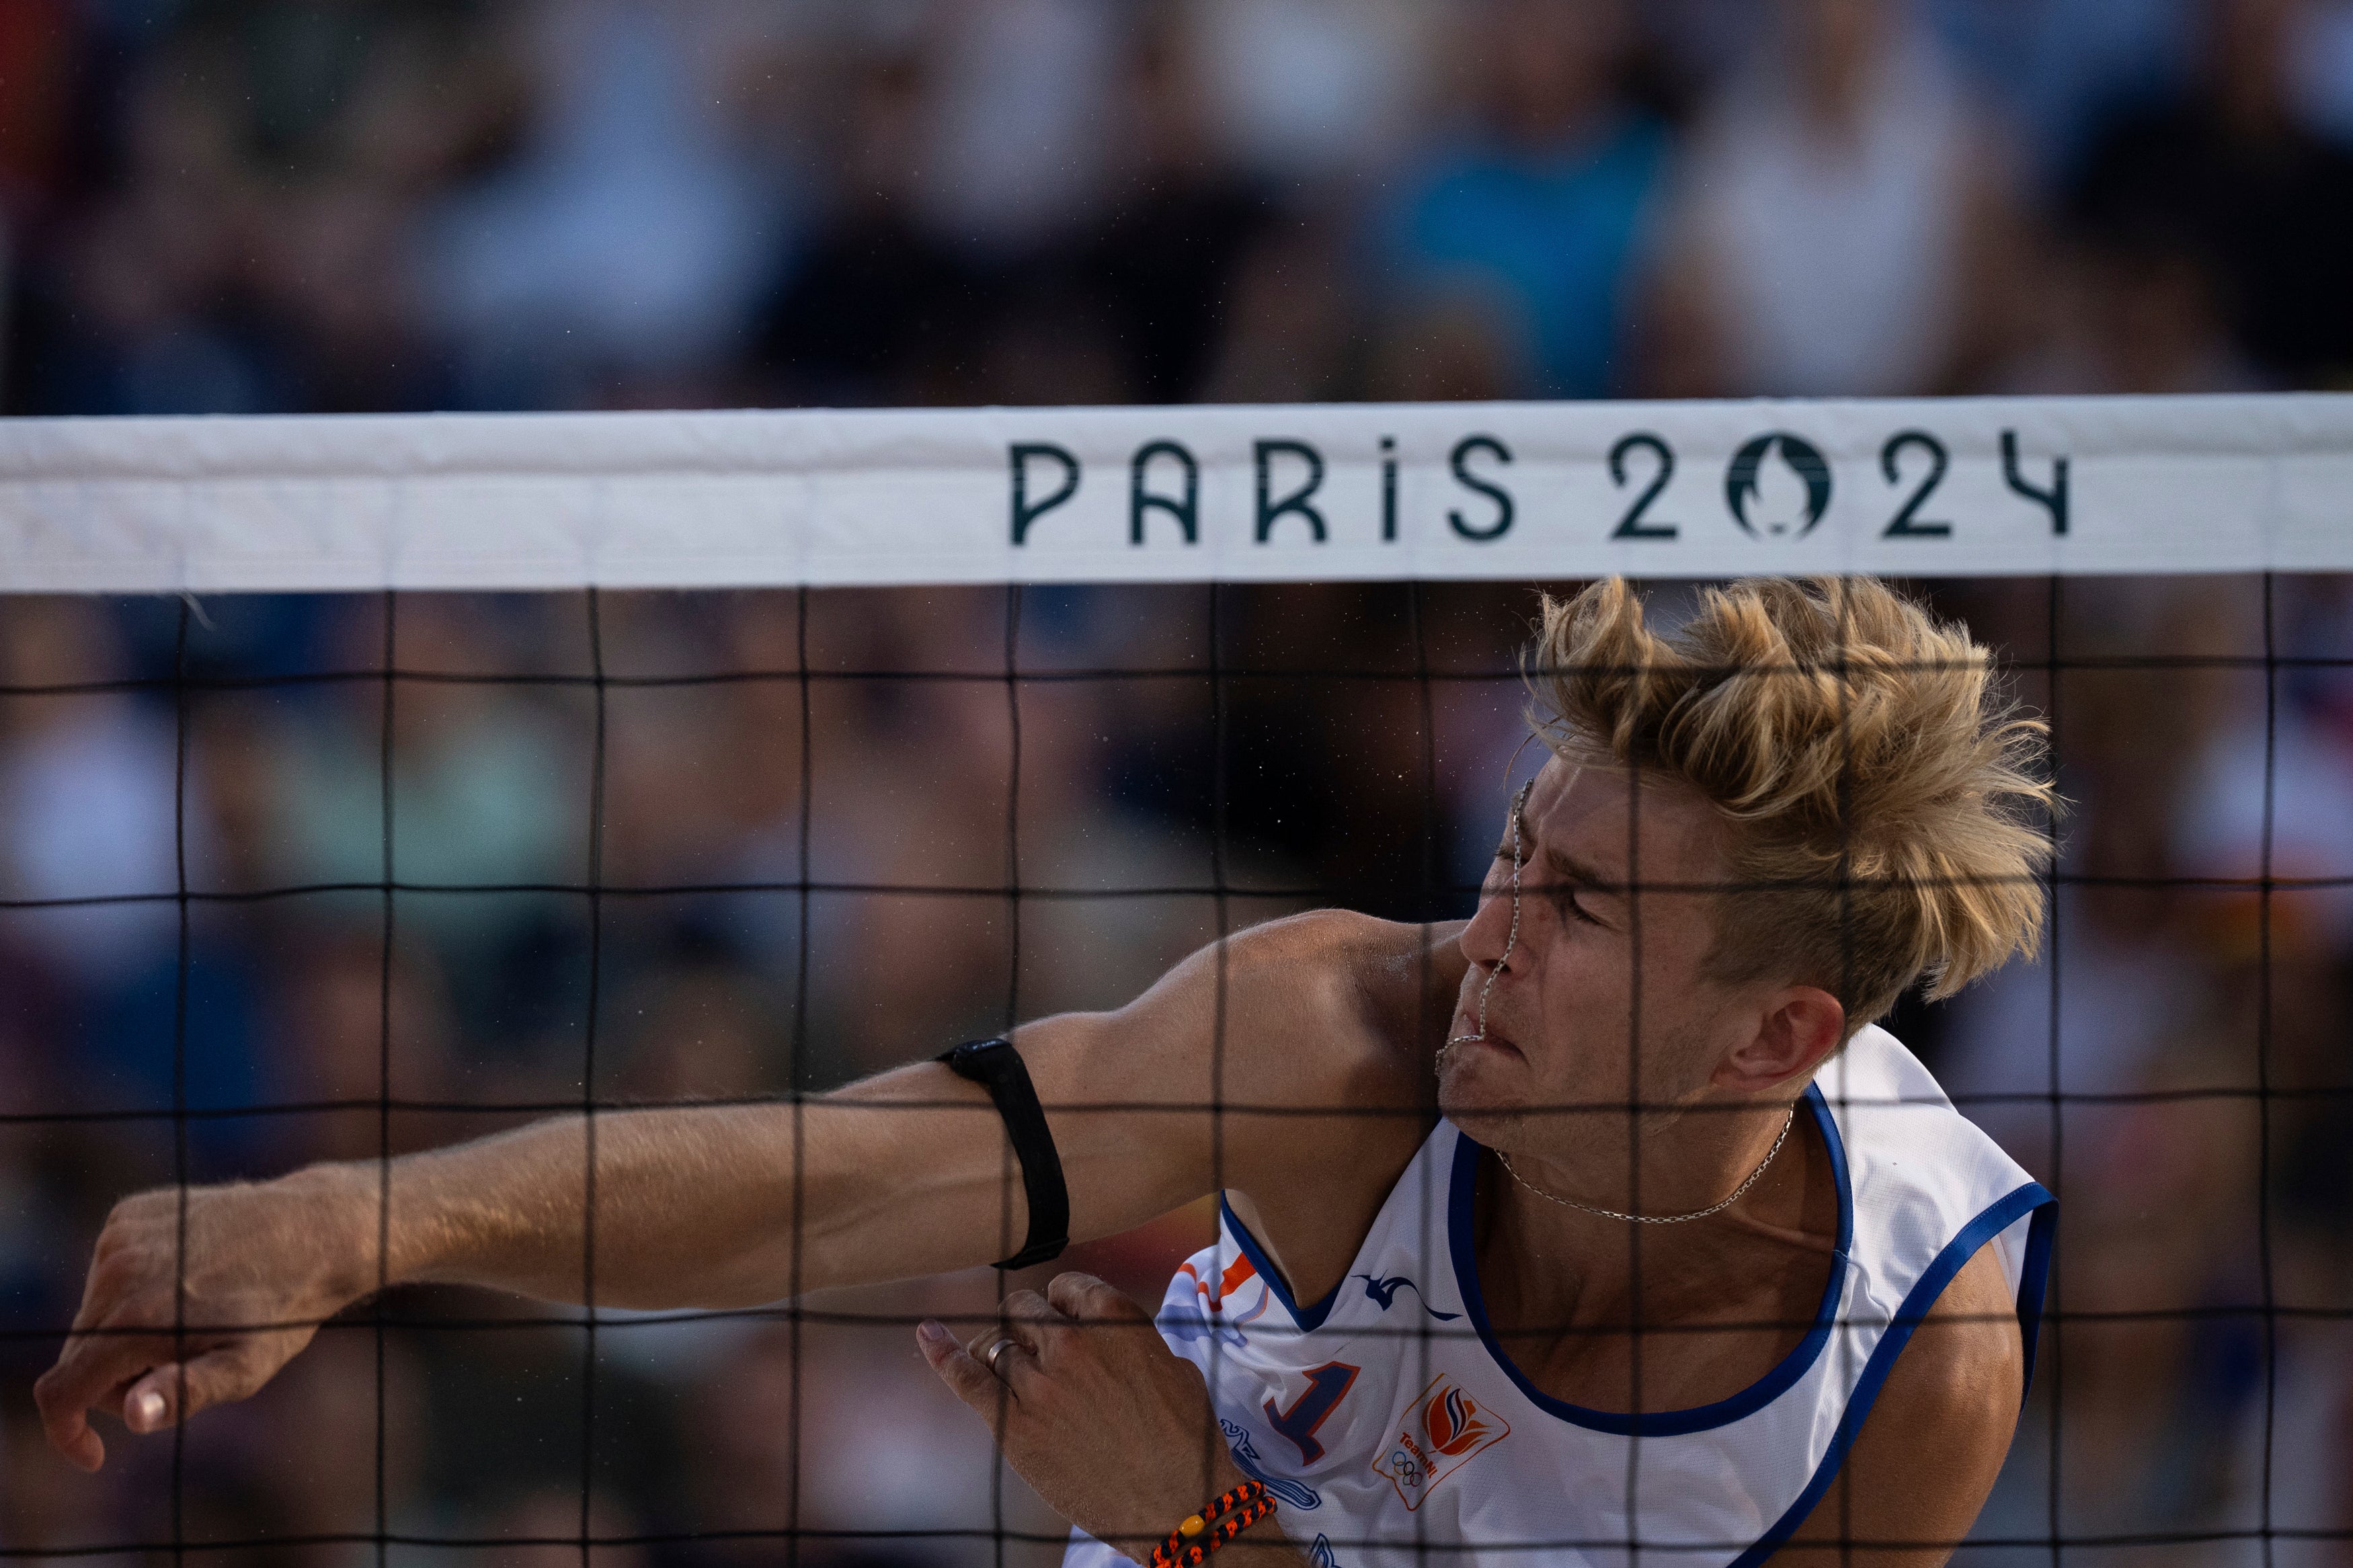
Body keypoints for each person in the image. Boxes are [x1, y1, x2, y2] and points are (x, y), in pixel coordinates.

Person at [36, 577, 2058, 1567]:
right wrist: (347, 1220)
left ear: (1779, 1035)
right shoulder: (1345, 1033)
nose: (1495, 932)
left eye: (1587, 907)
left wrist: (1209, 1537)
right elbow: (827, 1182)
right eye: (1512, 849)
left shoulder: (1919, 1349)